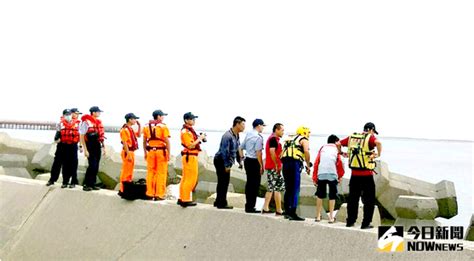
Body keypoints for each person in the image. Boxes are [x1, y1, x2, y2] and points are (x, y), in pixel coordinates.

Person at [337, 122, 382, 229]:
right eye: (373, 132)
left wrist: (341, 153)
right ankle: (365, 223)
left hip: (354, 175)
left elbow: (338, 143)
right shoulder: (370, 138)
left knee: (353, 199)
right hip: (366, 175)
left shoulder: (353, 138)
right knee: (369, 200)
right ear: (371, 130)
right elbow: (378, 143)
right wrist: (378, 154)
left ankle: (350, 221)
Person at [213, 116, 245, 209]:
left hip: (226, 160)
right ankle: (221, 203)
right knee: (224, 182)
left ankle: (218, 201)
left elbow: (237, 149)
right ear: (237, 124)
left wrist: (240, 161)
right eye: (243, 124)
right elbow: (224, 151)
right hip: (221, 160)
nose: (244, 127)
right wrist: (227, 165)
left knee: (222, 181)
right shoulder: (227, 136)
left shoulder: (236, 135)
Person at [281, 126, 312, 221]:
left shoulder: (289, 139)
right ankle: (293, 212)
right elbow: (306, 151)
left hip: (285, 163)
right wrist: (308, 164)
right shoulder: (304, 139)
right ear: (305, 132)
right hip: (294, 164)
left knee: (288, 188)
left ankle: (286, 211)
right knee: (295, 188)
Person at [312, 134, 345, 223]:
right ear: (335, 141)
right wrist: (340, 176)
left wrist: (314, 177)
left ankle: (318, 216)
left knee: (320, 195)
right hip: (332, 174)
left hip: (321, 173)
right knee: (332, 195)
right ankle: (331, 217)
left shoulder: (322, 148)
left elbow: (316, 162)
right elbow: (339, 164)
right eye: (338, 141)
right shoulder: (336, 149)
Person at [46, 109, 81, 188]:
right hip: (62, 145)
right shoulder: (60, 123)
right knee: (57, 163)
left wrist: (80, 146)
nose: (68, 116)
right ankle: (52, 179)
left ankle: (66, 181)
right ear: (63, 115)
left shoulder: (78, 124)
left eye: (69, 114)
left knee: (68, 164)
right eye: (66, 114)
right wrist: (57, 138)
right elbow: (57, 134)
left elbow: (80, 135)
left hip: (72, 145)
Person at [178, 112, 207, 207]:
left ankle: (182, 198)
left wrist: (199, 138)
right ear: (186, 120)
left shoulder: (189, 131)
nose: (194, 120)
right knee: (191, 178)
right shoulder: (185, 132)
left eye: (194, 119)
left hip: (189, 156)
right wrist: (200, 139)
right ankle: (185, 199)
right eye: (192, 119)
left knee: (185, 178)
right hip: (189, 156)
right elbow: (190, 145)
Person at [142, 110, 170, 200]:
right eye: (162, 116)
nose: (163, 117)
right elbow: (167, 141)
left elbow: (144, 141)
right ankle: (159, 194)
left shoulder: (146, 126)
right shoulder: (163, 126)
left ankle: (150, 193)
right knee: (161, 172)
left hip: (150, 152)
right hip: (160, 152)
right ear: (158, 116)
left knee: (150, 172)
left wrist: (145, 153)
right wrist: (168, 153)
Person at [240, 119, 265, 213]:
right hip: (254, 161)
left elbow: (240, 148)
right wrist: (261, 165)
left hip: (247, 160)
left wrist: (242, 158)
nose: (263, 128)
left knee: (249, 183)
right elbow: (258, 153)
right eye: (262, 126)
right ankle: (251, 206)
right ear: (258, 125)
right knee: (255, 185)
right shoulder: (258, 137)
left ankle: (248, 205)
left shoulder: (248, 135)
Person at [79, 106, 105, 191]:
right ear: (93, 112)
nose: (99, 113)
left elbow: (101, 136)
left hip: (97, 145)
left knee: (96, 166)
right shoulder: (86, 122)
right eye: (98, 112)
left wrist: (104, 148)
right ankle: (86, 184)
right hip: (89, 145)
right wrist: (85, 150)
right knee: (92, 165)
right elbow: (82, 136)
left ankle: (92, 184)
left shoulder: (98, 122)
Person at [261, 123, 285, 216]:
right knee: (277, 188)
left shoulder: (273, 139)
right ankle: (279, 210)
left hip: (271, 166)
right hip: (273, 167)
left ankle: (266, 207)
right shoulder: (273, 139)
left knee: (271, 188)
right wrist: (277, 165)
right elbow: (272, 152)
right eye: (282, 130)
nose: (283, 132)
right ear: (277, 130)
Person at [118, 113, 141, 194]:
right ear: (130, 119)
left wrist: (139, 126)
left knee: (129, 171)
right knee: (126, 171)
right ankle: (122, 189)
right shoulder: (125, 129)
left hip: (131, 152)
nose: (135, 120)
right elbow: (124, 142)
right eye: (134, 119)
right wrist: (128, 154)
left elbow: (138, 135)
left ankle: (127, 187)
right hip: (127, 151)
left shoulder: (130, 129)